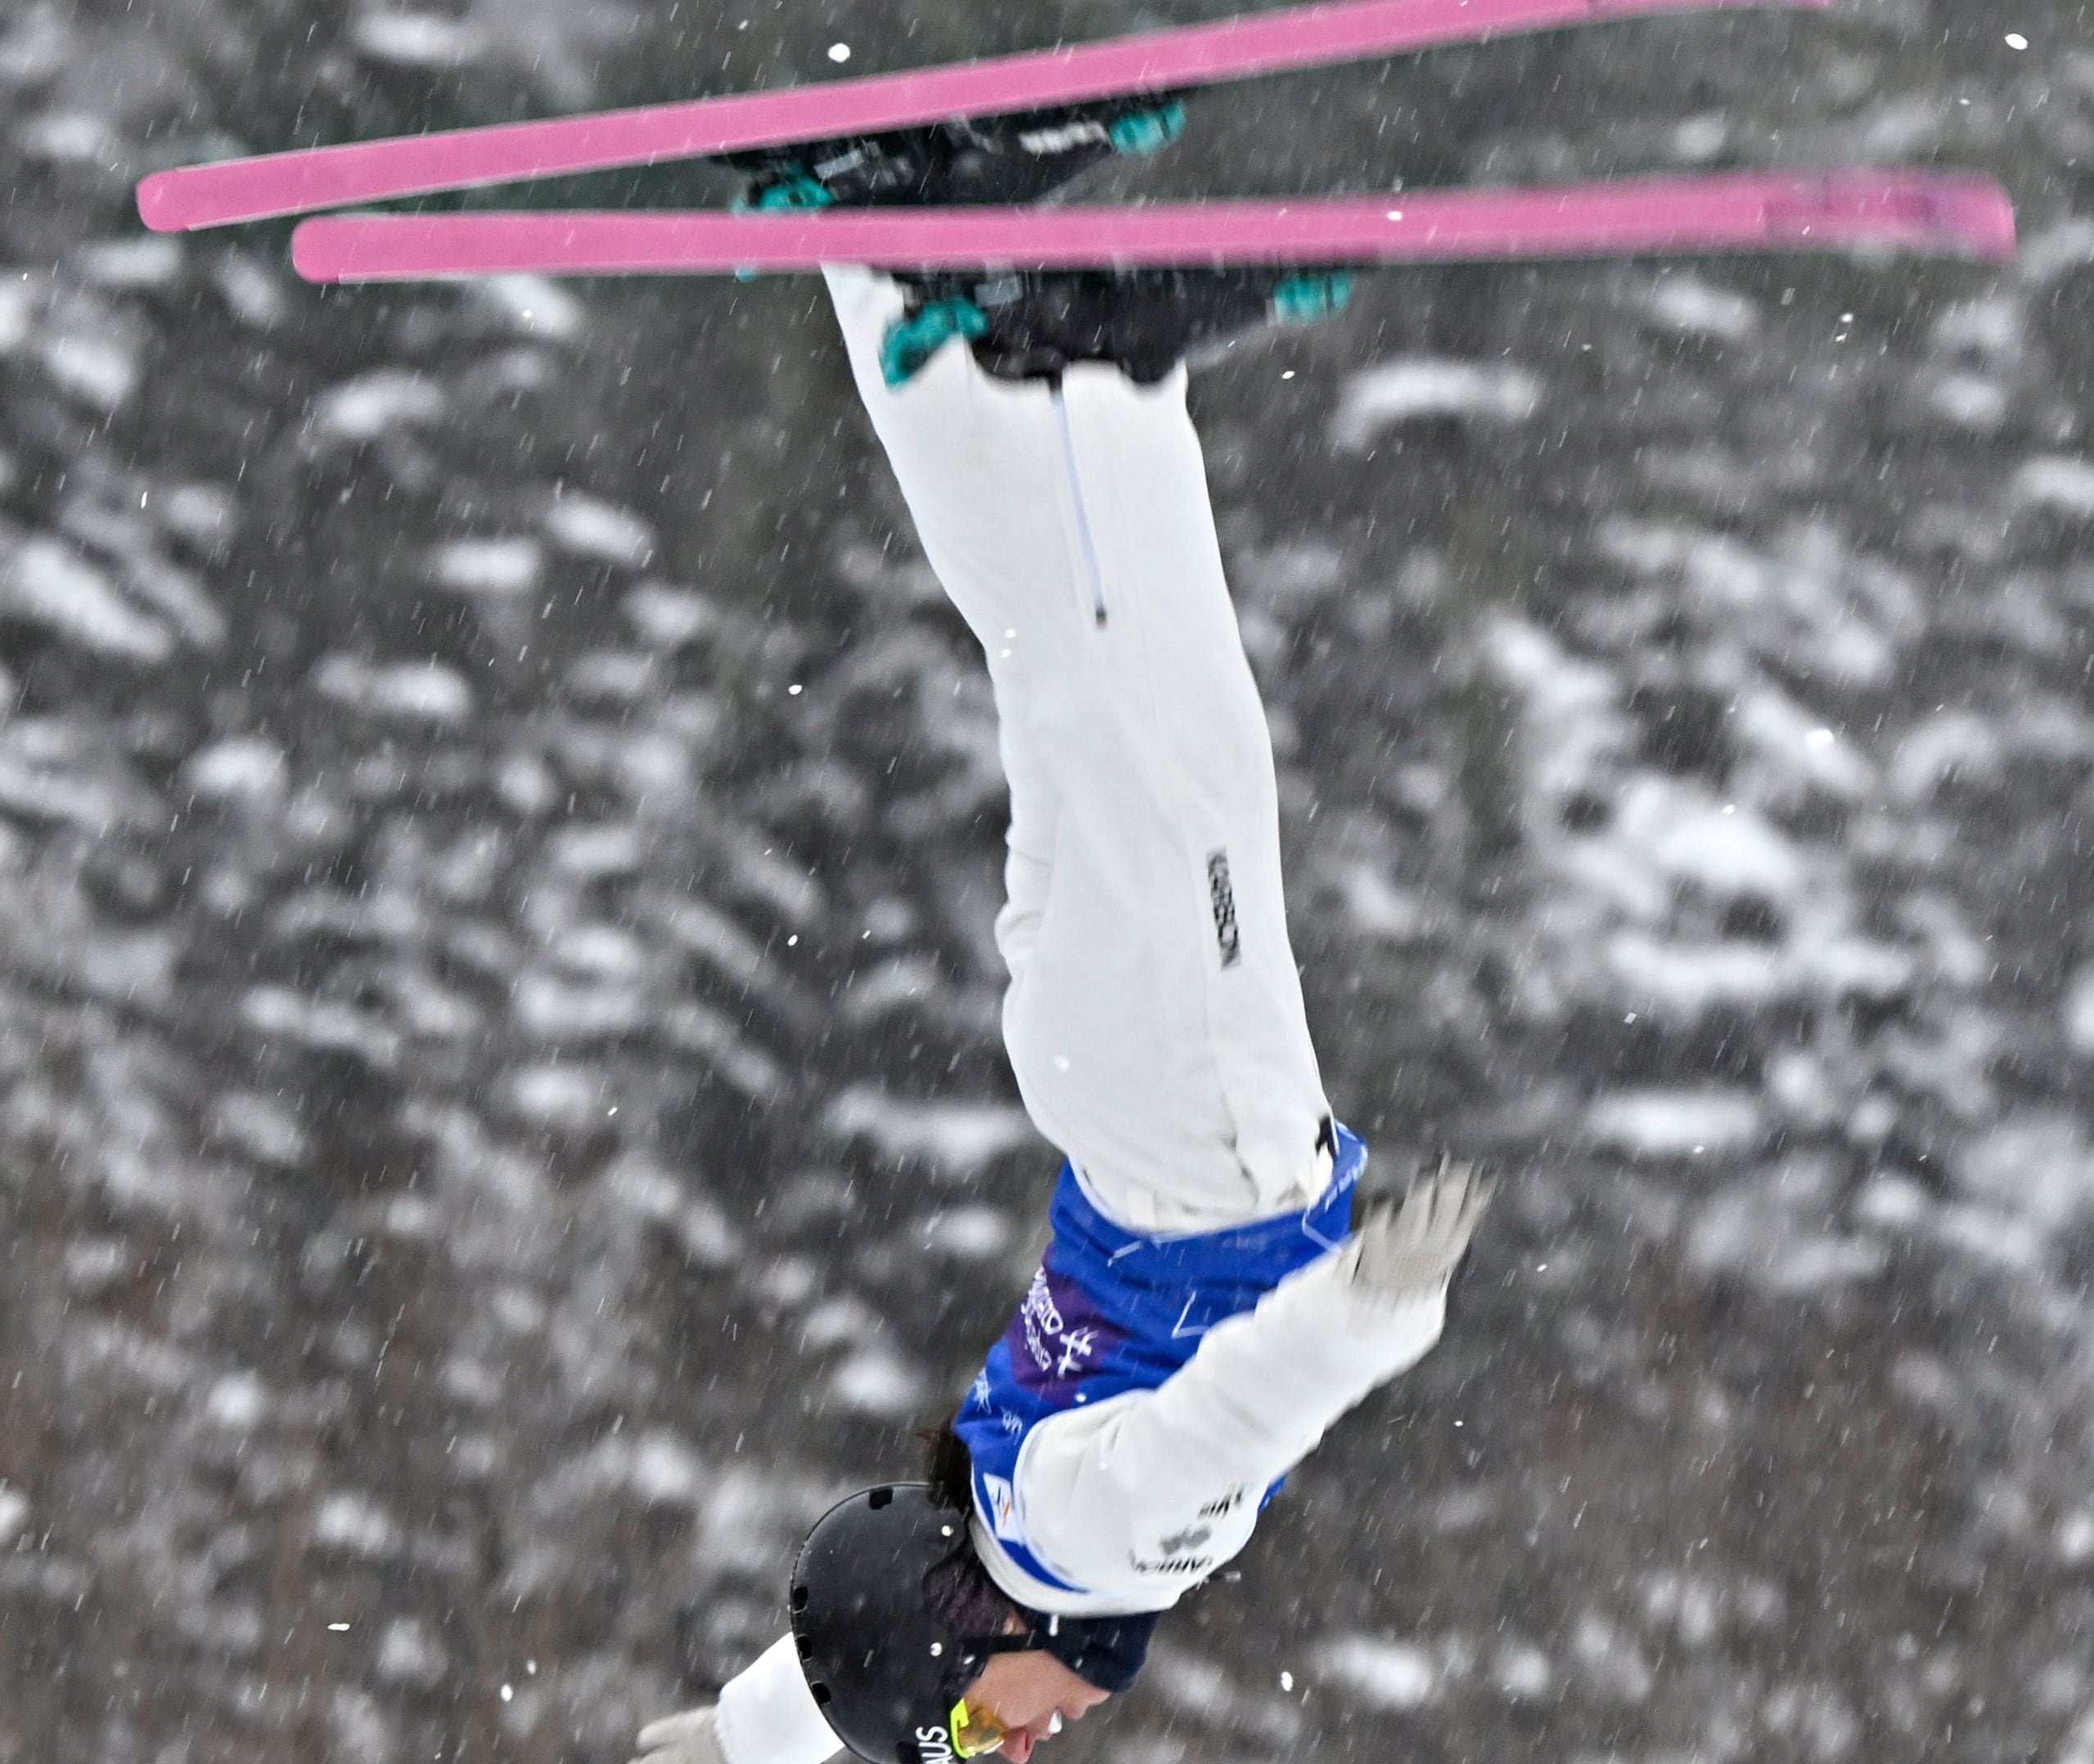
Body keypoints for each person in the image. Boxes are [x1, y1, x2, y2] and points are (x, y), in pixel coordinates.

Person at [628, 108, 1492, 1764]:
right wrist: (742, 1745)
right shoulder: (993, 1520)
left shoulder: (1088, 1550)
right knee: (1068, 676)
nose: (1010, 1756)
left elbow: (1218, 1433)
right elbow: (851, 1665)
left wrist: (1374, 1317)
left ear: (971, 1636)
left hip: (1198, 1127)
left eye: (967, 1742)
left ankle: (1095, 367)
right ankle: (892, 251)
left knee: (1163, 728)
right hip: (1104, 1092)